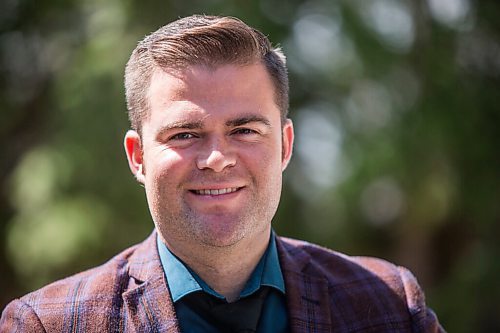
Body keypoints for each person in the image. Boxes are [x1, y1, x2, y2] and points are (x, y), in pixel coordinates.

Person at [0, 15, 445, 332]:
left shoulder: (389, 305)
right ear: (138, 157)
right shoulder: (47, 323)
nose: (216, 158)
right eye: (185, 134)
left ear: (285, 145)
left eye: (245, 130)